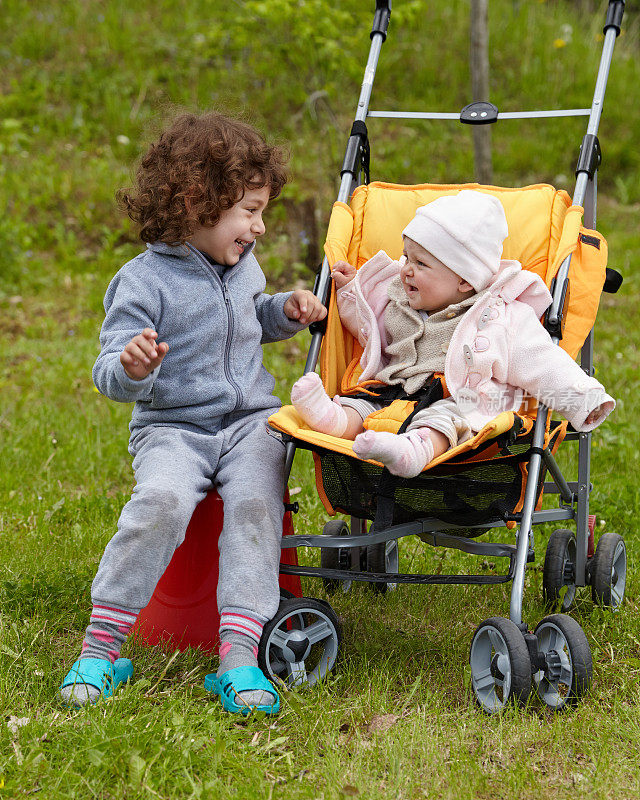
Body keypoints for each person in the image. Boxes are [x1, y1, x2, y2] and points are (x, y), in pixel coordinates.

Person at [60, 112, 326, 715]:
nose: (259, 225)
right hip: (173, 428)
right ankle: (102, 647)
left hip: (249, 424)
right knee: (160, 504)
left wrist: (284, 310)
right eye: (250, 210)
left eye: (261, 211)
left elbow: (248, 317)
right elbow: (109, 372)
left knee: (258, 507)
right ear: (196, 203)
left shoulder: (243, 266)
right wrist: (132, 367)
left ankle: (239, 656)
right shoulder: (142, 282)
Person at [291, 190, 614, 478]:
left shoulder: (500, 317)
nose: (405, 269)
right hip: (395, 391)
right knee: (362, 405)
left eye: (421, 263)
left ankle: (412, 451)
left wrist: (584, 398)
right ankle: (332, 420)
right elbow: (366, 324)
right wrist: (350, 291)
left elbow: (542, 362)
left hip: (462, 397)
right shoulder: (398, 297)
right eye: (405, 257)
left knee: (446, 418)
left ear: (464, 281)